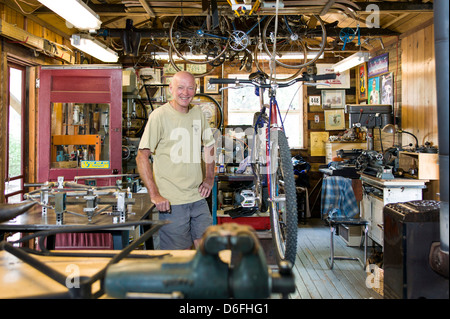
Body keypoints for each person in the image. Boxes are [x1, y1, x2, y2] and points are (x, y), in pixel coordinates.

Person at [136, 71, 216, 250]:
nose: (185, 93)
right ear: (171, 88)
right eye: (180, 87)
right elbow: (142, 156)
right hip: (172, 203)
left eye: (190, 88)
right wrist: (154, 194)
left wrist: (210, 177)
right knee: (178, 259)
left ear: (195, 89)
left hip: (198, 198)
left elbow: (209, 146)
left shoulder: (198, 114)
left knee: (208, 252)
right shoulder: (159, 116)